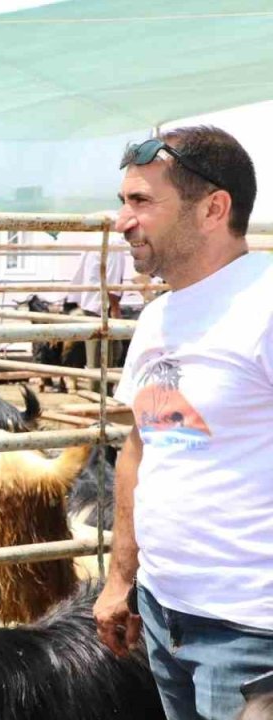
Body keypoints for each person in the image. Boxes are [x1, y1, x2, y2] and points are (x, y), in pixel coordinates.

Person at [93, 126, 273, 720]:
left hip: (251, 633)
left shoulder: (265, 305)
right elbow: (142, 449)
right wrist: (122, 579)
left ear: (213, 208)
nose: (123, 220)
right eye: (124, 201)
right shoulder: (159, 316)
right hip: (164, 614)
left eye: (142, 202)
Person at [65, 248, 126, 388]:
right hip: (103, 307)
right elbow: (112, 280)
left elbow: (79, 274)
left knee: (97, 358)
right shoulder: (113, 243)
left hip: (90, 303)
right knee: (107, 357)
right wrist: (115, 307)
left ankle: (99, 395)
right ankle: (101, 398)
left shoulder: (93, 241)